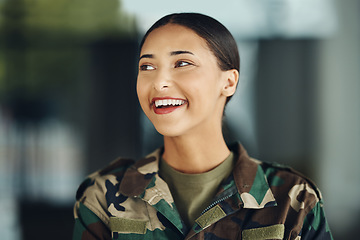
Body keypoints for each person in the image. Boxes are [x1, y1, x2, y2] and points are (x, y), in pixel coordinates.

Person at [73, 13, 333, 240]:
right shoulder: (103, 195)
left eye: (182, 63)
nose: (159, 81)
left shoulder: (292, 198)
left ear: (229, 82)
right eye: (147, 66)